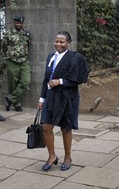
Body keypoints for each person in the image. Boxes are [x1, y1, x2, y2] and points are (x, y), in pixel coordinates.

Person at [37, 31, 90, 171]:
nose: (58, 44)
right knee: (46, 127)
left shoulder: (74, 57)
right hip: (51, 97)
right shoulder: (50, 57)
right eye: (57, 41)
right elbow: (46, 79)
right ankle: (52, 156)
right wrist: (42, 98)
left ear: (68, 43)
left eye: (62, 42)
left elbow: (78, 78)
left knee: (66, 128)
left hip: (67, 98)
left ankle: (67, 157)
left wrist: (60, 81)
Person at [2, 15, 31, 112]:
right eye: (17, 23)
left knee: (26, 81)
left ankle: (10, 98)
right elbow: (4, 46)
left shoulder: (26, 34)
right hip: (12, 61)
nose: (19, 24)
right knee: (13, 84)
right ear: (14, 23)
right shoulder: (8, 34)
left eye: (21, 23)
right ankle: (17, 104)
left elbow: (28, 46)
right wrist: (9, 56)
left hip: (24, 61)